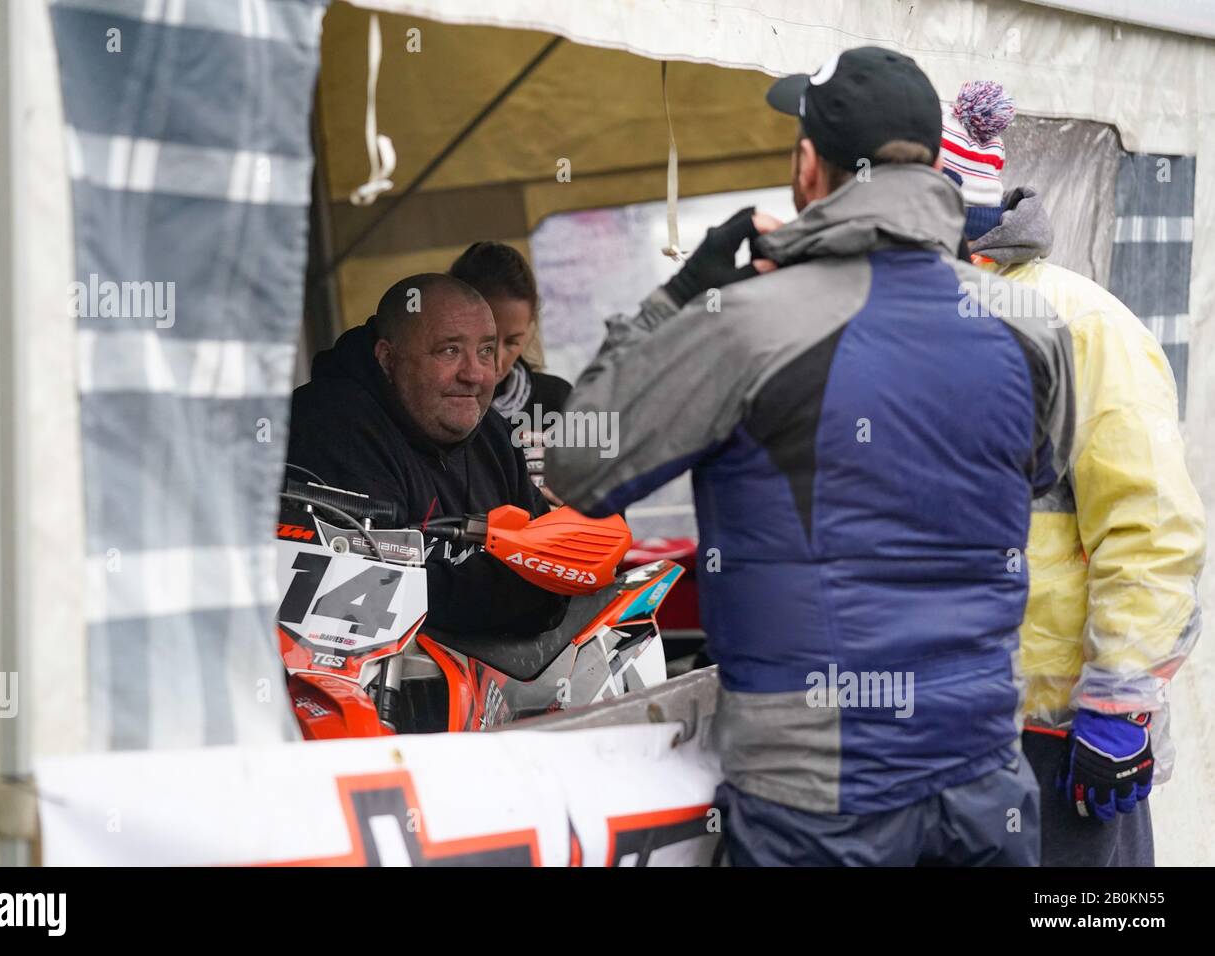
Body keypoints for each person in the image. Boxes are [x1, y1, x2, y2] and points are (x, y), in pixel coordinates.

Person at [547, 46, 1076, 866]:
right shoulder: (1029, 326)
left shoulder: (747, 323)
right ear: (933, 167)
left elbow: (577, 464)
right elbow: (1035, 472)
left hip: (817, 797)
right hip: (983, 777)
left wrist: (681, 296)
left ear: (807, 167)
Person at [942, 80, 1206, 866]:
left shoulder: (1084, 326)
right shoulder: (903, 324)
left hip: (1054, 740)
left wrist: (1119, 706)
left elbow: (1151, 528)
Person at [285, 272, 567, 637]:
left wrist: (540, 578)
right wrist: (525, 584)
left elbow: (552, 568)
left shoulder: (493, 433)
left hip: (496, 686)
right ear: (388, 358)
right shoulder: (331, 426)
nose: (476, 375)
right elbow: (367, 600)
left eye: (485, 351)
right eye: (449, 350)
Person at [450, 241, 572, 501]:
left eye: (513, 342)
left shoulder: (558, 401)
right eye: (486, 342)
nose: (497, 360)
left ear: (530, 329)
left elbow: (611, 521)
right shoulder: (431, 413)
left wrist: (577, 515)